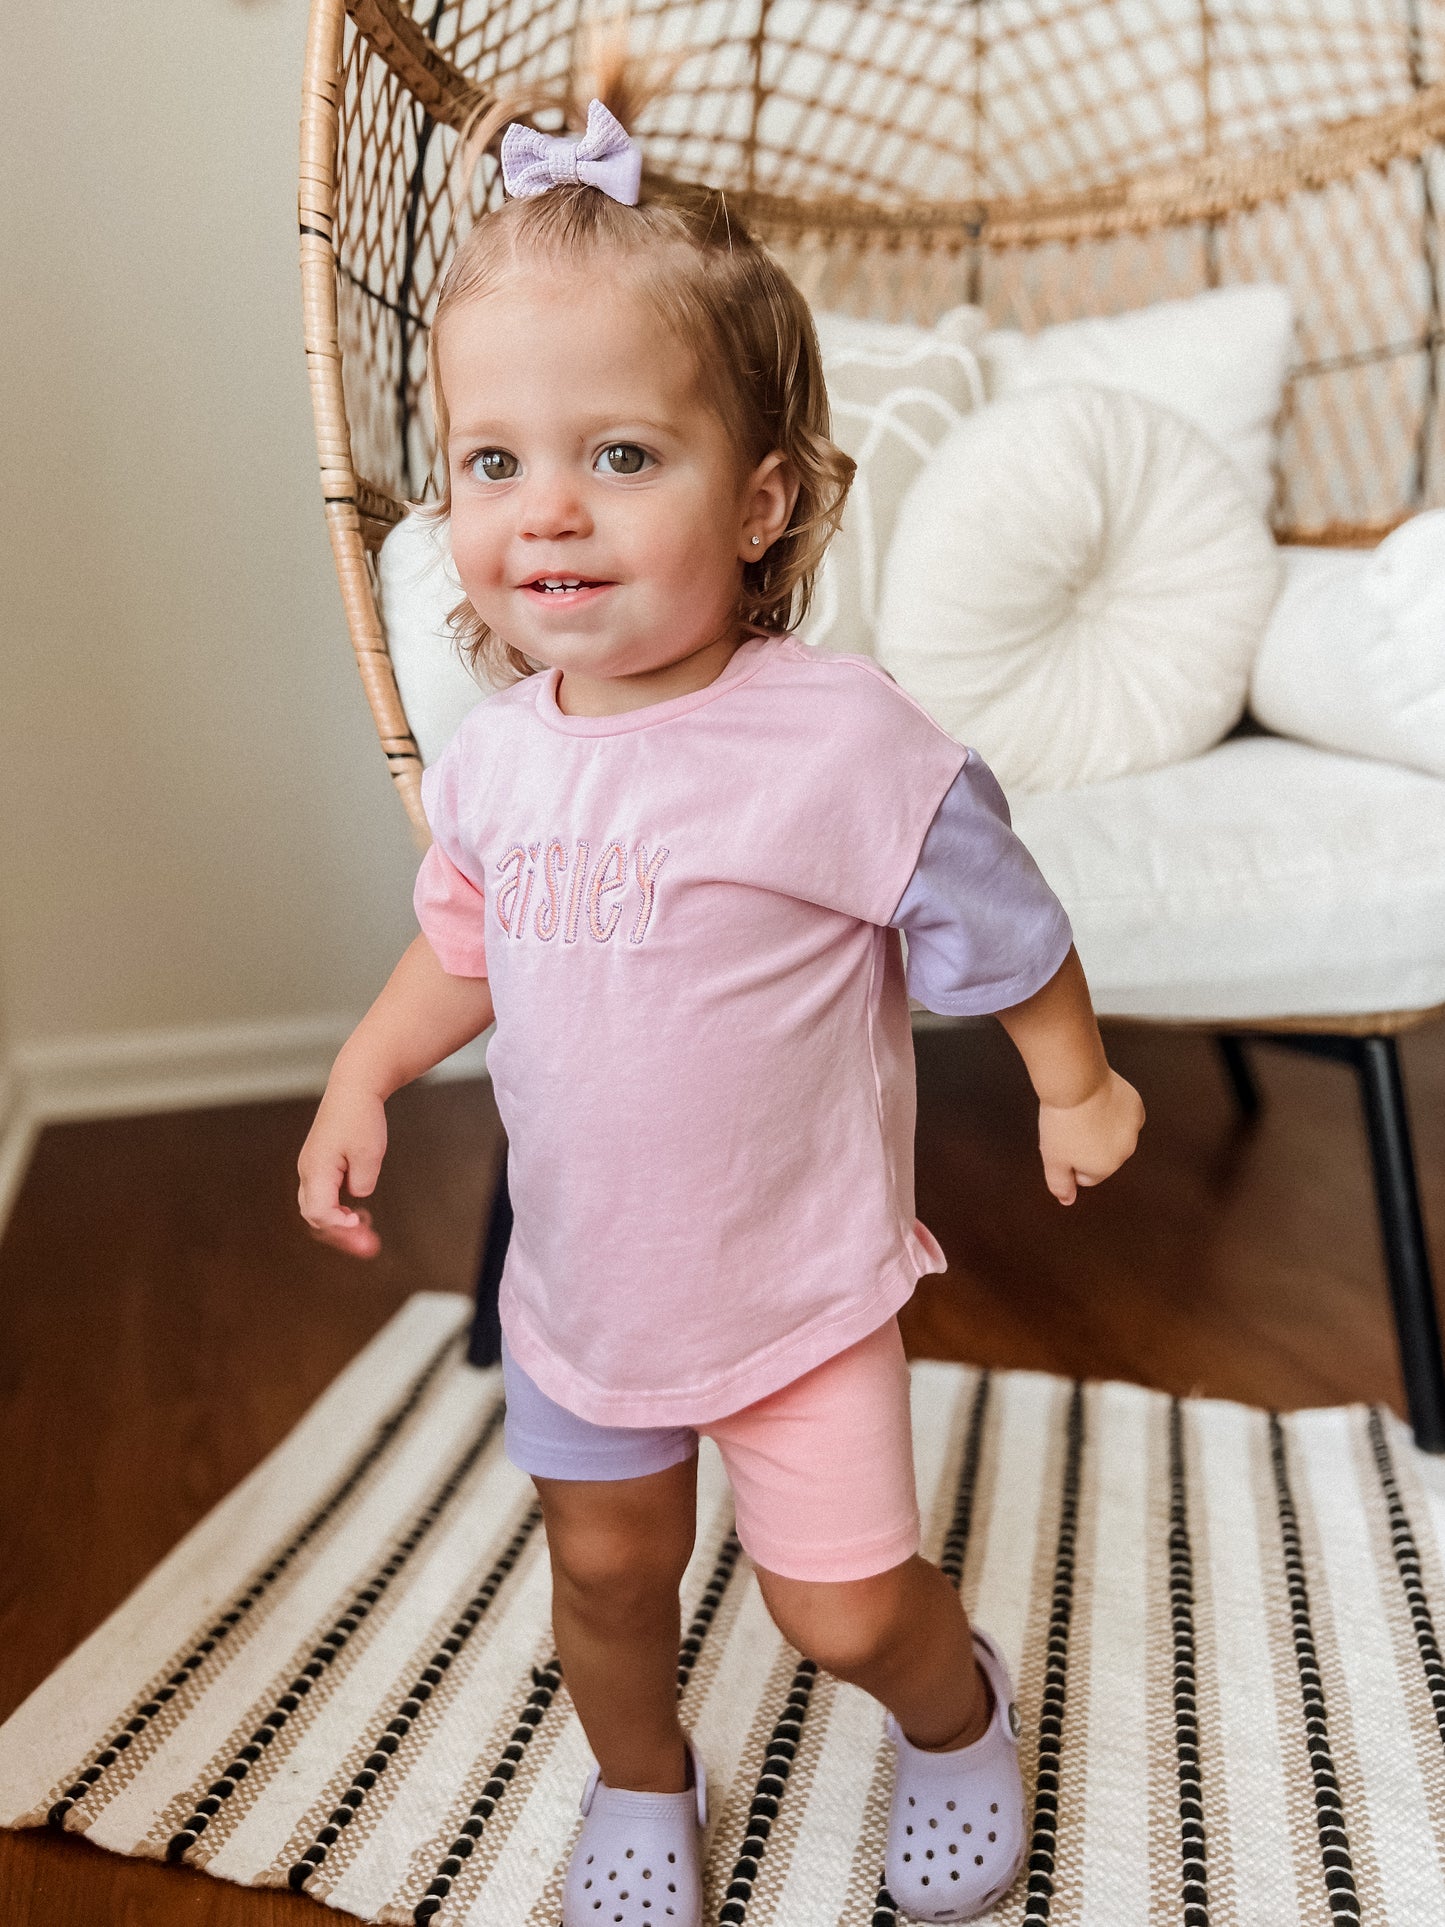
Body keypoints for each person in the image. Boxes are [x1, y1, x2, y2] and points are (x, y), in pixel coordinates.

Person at [297, 66, 1144, 1927]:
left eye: (622, 455)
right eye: (494, 461)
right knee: (605, 1580)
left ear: (758, 499)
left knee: (833, 1600)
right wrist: (365, 1074)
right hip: (588, 1290)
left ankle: (951, 1713)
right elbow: (465, 938)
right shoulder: (501, 755)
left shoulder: (828, 739)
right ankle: (640, 1788)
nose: (550, 514)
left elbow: (992, 906)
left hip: (795, 1290)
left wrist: (1070, 1077)